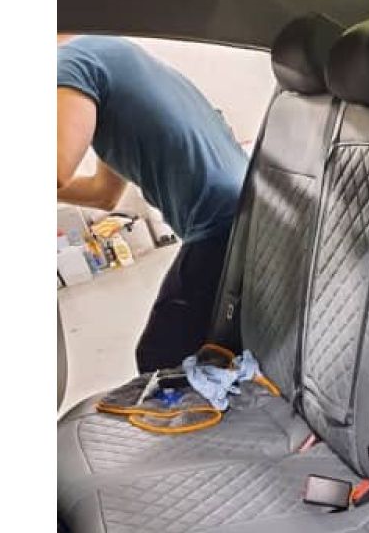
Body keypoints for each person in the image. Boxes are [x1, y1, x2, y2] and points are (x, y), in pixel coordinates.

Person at [57, 35, 248, 371]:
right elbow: (104, 193)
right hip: (242, 206)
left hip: (217, 220)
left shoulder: (70, 62)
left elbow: (58, 169)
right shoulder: (112, 59)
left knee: (159, 358)